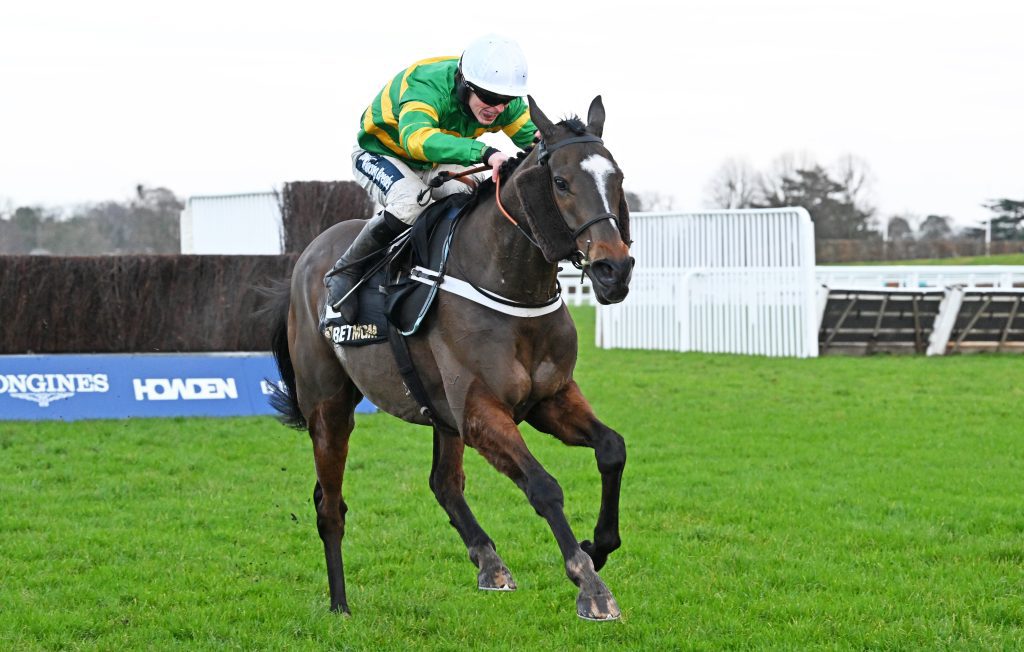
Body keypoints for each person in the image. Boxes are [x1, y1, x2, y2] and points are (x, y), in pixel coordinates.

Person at [325, 34, 539, 320]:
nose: (498, 108)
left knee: (470, 199)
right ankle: (346, 269)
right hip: (383, 153)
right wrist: (485, 152)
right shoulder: (426, 85)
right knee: (410, 203)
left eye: (507, 101)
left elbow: (534, 137)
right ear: (465, 84)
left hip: (434, 159)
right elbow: (416, 139)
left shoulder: (499, 100)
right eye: (490, 99)